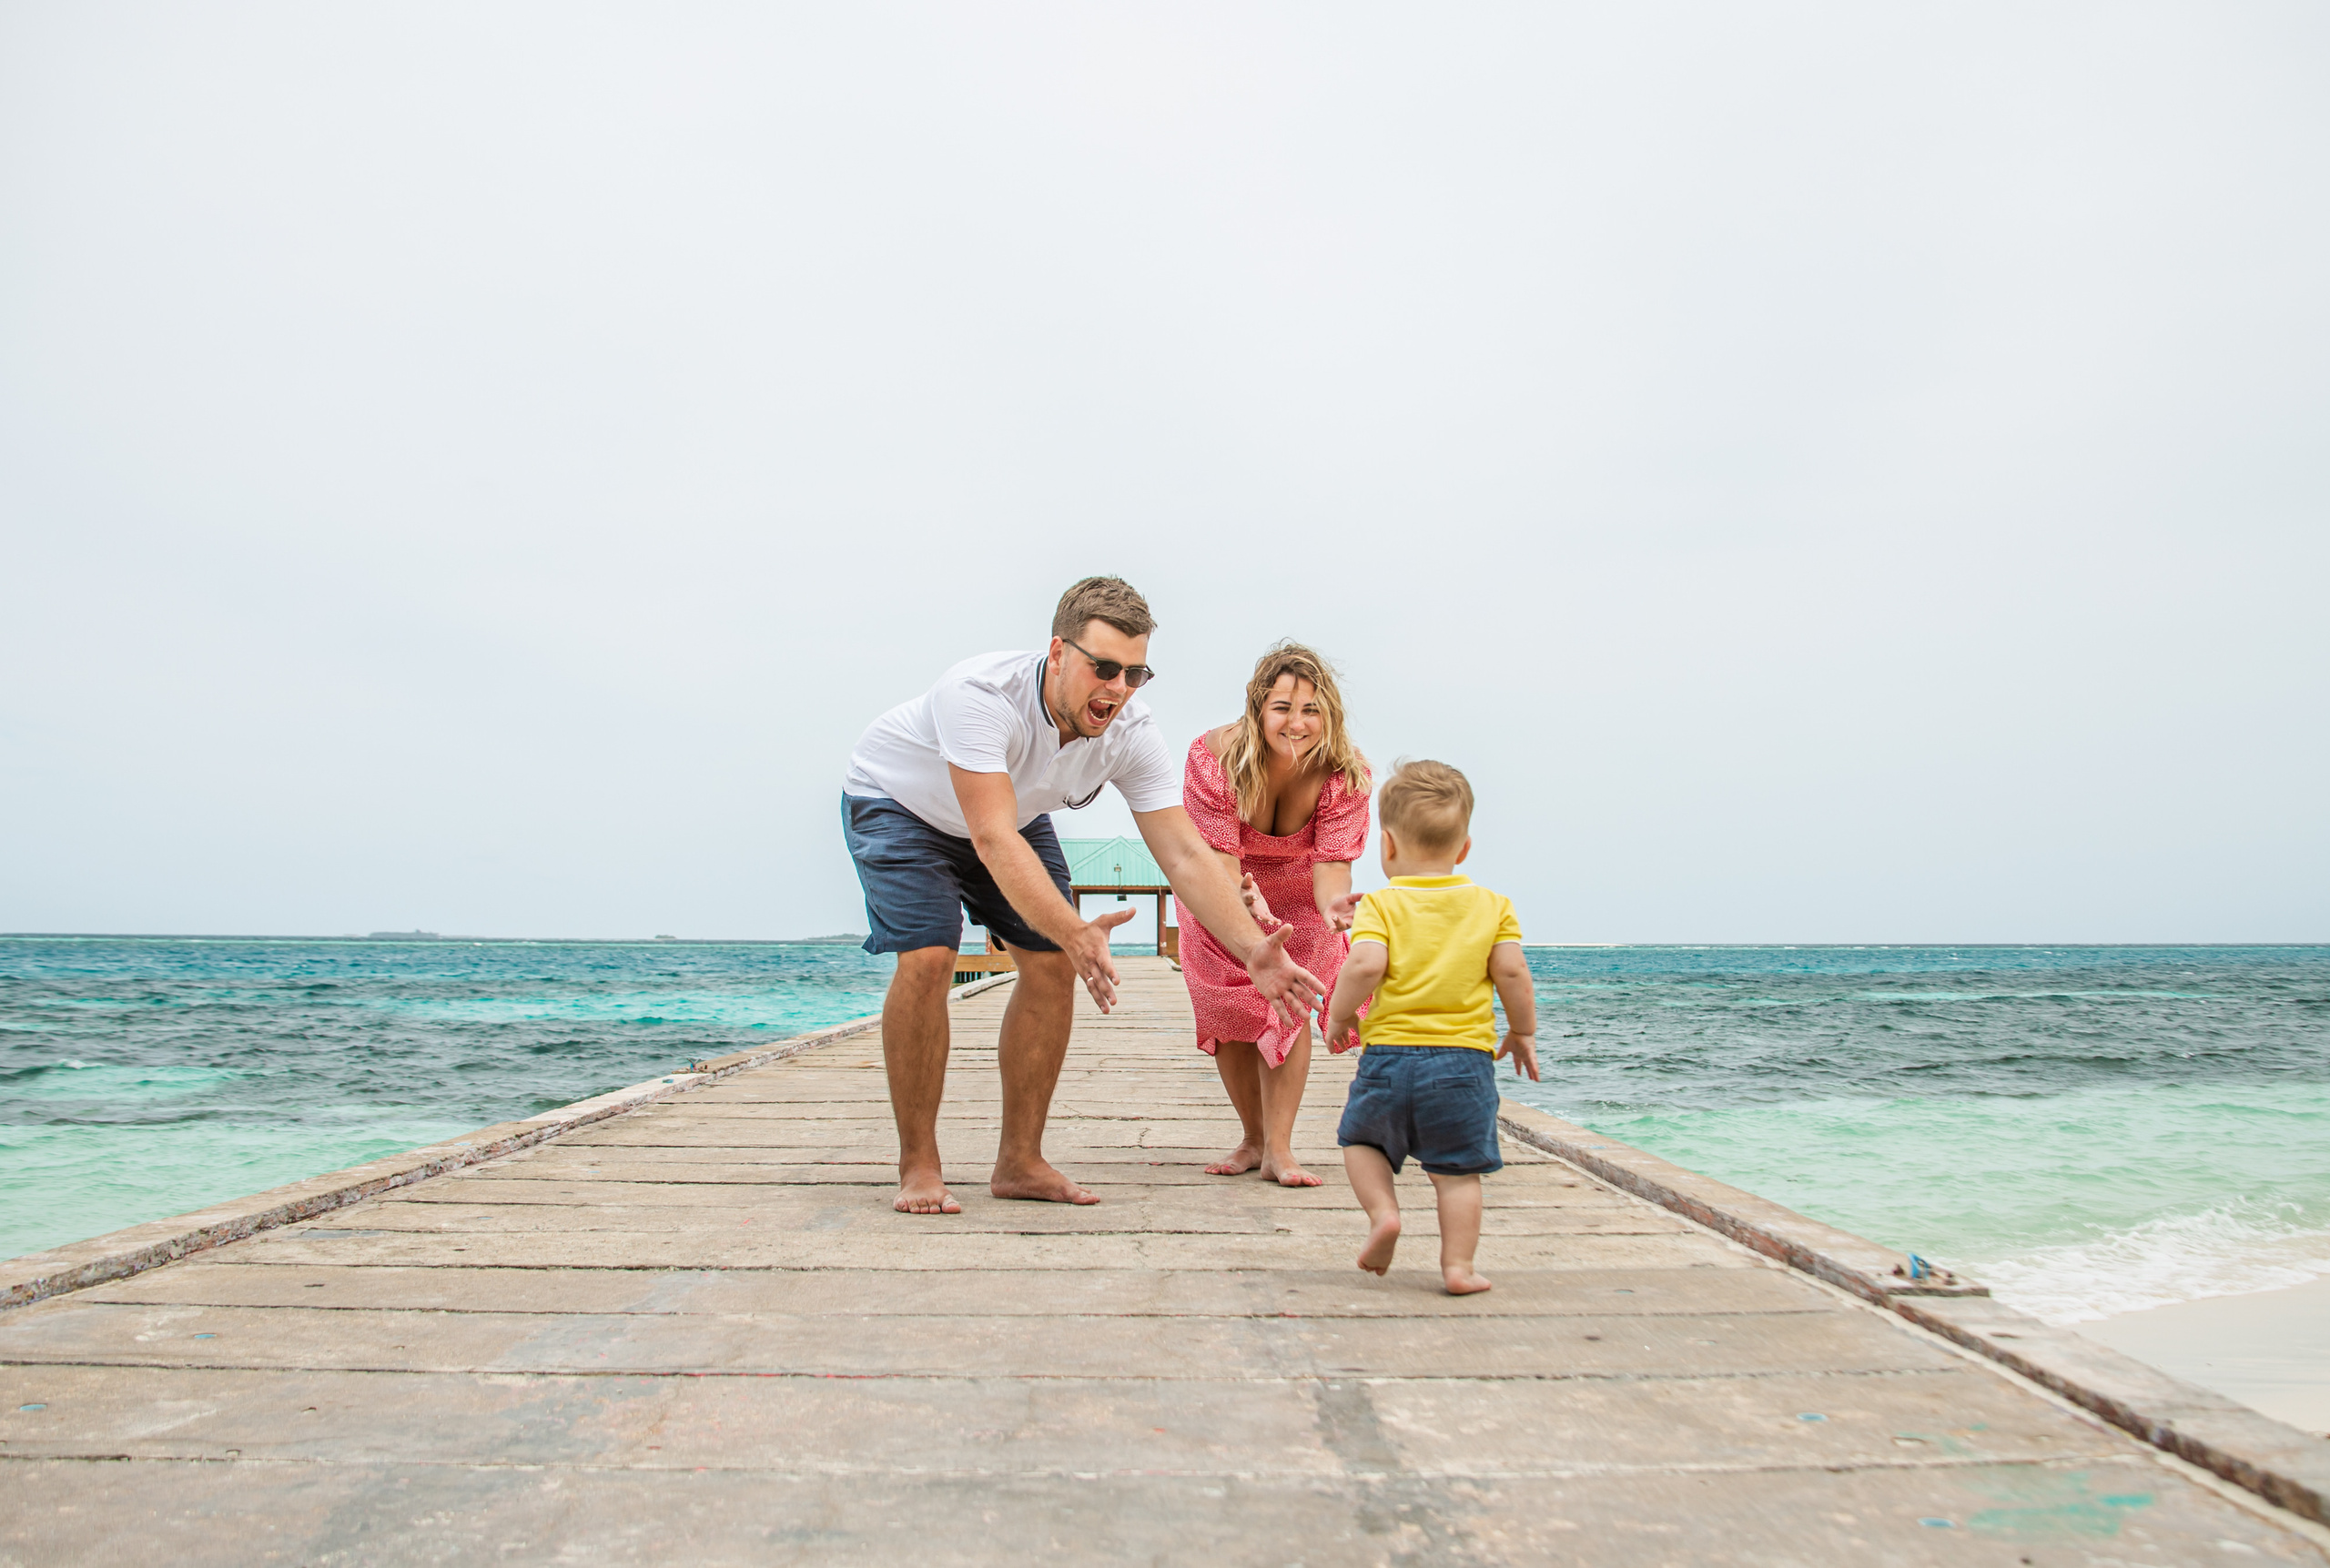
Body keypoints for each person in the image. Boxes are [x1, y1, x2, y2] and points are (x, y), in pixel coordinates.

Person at [841, 576, 1326, 1215]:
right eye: (1103, 668)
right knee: (931, 954)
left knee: (1047, 966)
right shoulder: (980, 695)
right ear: (1058, 653)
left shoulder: (1131, 732)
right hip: (902, 803)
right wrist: (1073, 930)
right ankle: (919, 1165)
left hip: (1009, 816)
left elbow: (1183, 851)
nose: (1117, 689)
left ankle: (1019, 1160)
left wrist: (1251, 948)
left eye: (1134, 673)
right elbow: (989, 836)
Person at [1319, 759, 1540, 1294]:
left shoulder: (1382, 906)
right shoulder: (1493, 907)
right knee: (1457, 1172)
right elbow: (1511, 970)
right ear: (1463, 849)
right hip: (1463, 1064)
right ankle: (1458, 1267)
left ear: (1387, 845)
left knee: (1362, 1141)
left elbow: (1365, 966)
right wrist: (1522, 1031)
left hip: (1389, 1060)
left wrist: (1341, 1014)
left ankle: (1383, 1215)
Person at [1178, 642, 1371, 1188]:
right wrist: (1245, 901)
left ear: (1328, 714)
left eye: (1311, 709)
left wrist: (1335, 905)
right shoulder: (1213, 757)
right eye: (1283, 707)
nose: (1297, 722)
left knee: (1287, 1006)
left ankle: (1279, 1150)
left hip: (1299, 899)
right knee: (1231, 1013)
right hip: (1223, 890)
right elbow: (1216, 863)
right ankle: (1252, 1137)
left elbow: (1332, 865)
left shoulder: (1345, 774)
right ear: (1259, 707)